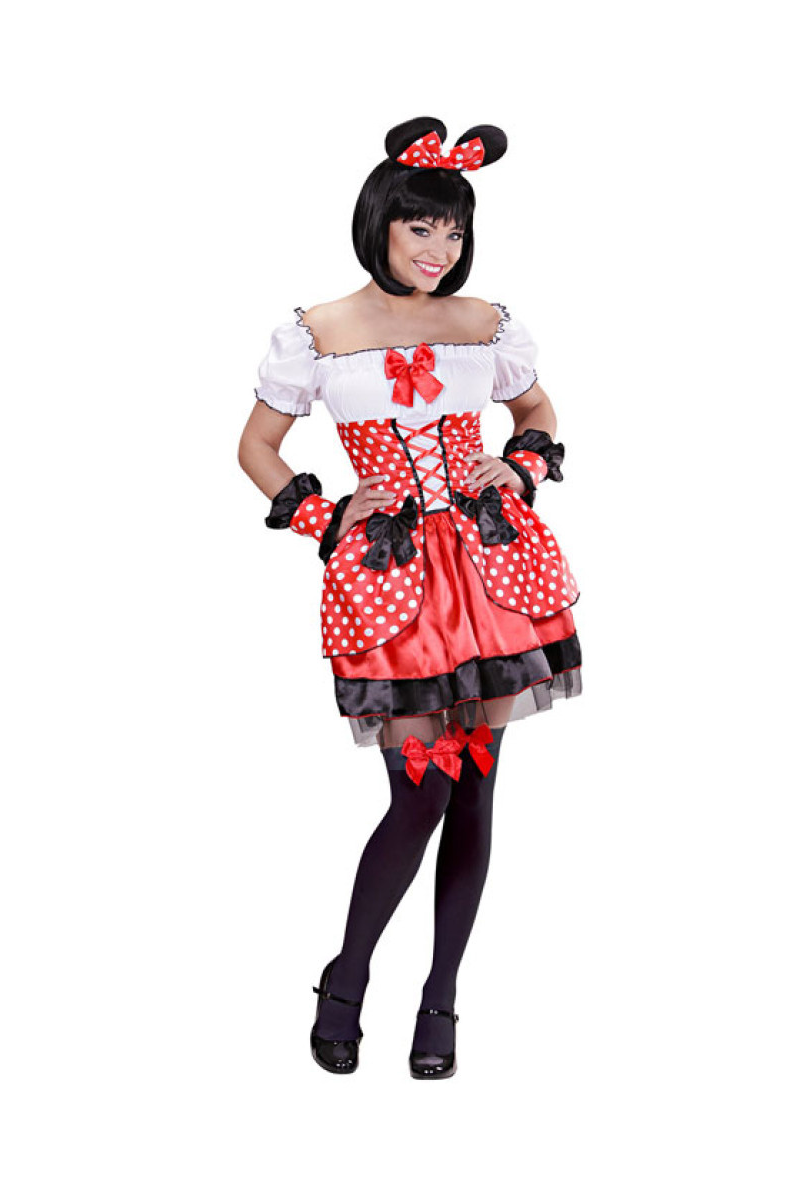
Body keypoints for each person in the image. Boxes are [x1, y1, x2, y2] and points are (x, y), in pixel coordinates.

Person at [236, 117, 583, 1079]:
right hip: (389, 579)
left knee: (475, 792)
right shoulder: (319, 332)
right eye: (420, 227)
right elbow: (255, 447)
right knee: (420, 792)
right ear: (380, 222)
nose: (439, 249)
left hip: (488, 572)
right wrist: (325, 517)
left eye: (453, 231)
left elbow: (536, 409)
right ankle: (347, 977)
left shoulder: (483, 324)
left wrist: (519, 467)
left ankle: (441, 999)